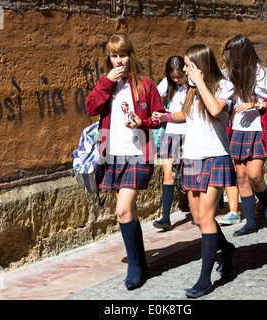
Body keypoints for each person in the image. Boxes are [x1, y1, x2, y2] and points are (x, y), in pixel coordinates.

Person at [152, 44, 236, 298]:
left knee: (207, 217)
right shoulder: (189, 90)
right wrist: (165, 117)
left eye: (188, 64)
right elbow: (186, 115)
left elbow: (214, 109)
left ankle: (205, 279)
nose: (185, 69)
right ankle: (227, 249)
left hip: (215, 158)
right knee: (199, 218)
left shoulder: (223, 86)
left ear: (200, 65)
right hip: (191, 159)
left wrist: (200, 82)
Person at [86, 34, 165, 289]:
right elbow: (91, 107)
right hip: (113, 156)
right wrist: (106, 83)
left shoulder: (146, 86)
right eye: (113, 55)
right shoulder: (106, 85)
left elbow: (161, 117)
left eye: (123, 55)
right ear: (108, 58)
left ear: (131, 55)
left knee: (121, 210)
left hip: (139, 154)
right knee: (128, 211)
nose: (118, 60)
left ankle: (133, 267)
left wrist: (143, 122)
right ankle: (142, 262)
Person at [222, 34, 267, 236]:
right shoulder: (229, 73)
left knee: (255, 175)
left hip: (258, 130)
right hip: (238, 130)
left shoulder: (265, 73)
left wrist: (255, 104)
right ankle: (250, 222)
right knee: (241, 176)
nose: (230, 59)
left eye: (233, 55)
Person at [153, 56, 187, 231]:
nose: (176, 80)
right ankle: (166, 217)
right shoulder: (167, 84)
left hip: (188, 134)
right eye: (173, 77)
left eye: (179, 76)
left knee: (188, 173)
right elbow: (154, 98)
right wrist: (162, 111)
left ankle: (198, 210)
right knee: (168, 175)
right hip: (171, 133)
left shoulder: (192, 85)